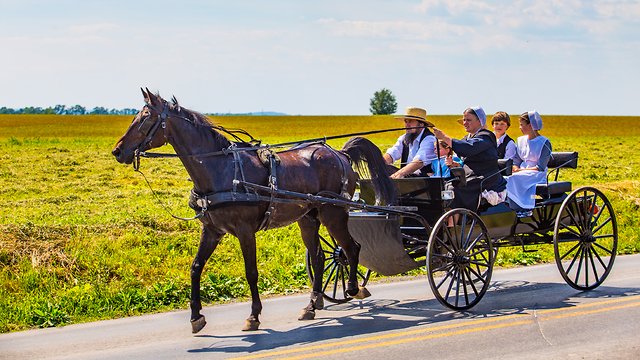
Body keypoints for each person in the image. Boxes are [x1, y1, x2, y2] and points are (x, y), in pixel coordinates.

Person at [433, 106, 507, 211]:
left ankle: (454, 222)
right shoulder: (467, 138)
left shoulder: (486, 136)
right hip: (469, 176)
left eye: (468, 120)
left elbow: (468, 148)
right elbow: (464, 159)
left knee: (454, 190)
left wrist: (444, 137)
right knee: (444, 185)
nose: (465, 123)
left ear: (479, 121)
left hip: (485, 177)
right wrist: (455, 164)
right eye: (464, 120)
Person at [506, 111, 553, 217]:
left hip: (536, 174)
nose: (519, 127)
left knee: (512, 179)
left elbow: (540, 167)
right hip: (522, 171)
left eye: (521, 125)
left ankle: (523, 207)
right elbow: (517, 159)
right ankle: (513, 206)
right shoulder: (521, 140)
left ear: (530, 125)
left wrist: (520, 171)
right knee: (506, 178)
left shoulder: (544, 142)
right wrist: (515, 166)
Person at [383, 107, 436, 178]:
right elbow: (392, 153)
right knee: (384, 169)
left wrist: (397, 175)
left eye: (410, 121)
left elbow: (418, 162)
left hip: (423, 180)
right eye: (406, 122)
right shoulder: (404, 138)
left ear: (421, 124)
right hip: (406, 178)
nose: (407, 125)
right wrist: (379, 164)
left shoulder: (429, 139)